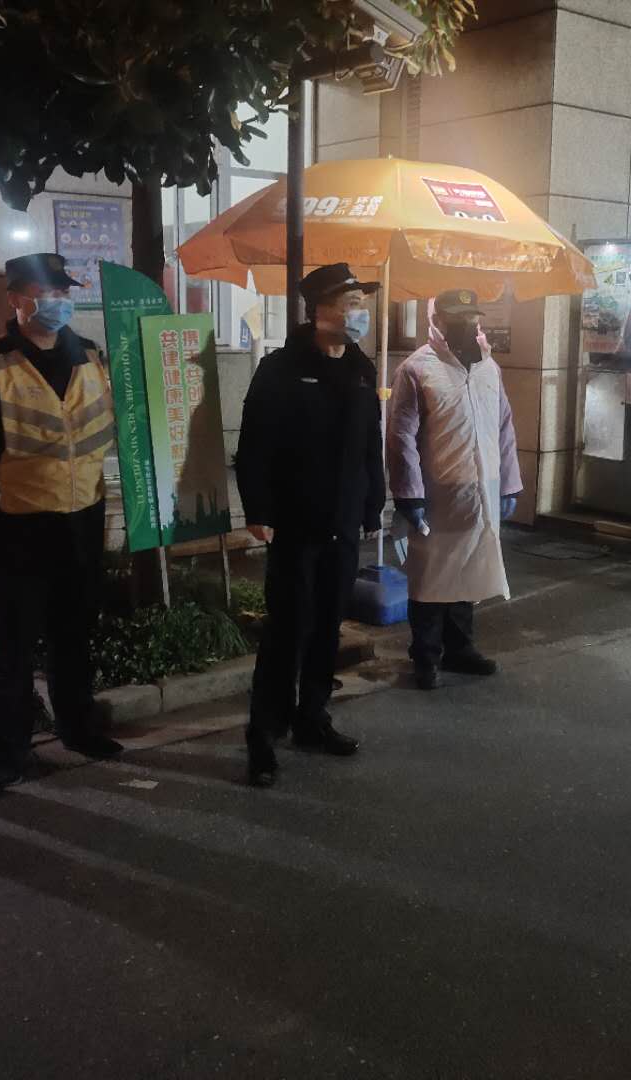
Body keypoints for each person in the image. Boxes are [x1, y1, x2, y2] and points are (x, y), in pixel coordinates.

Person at [0, 253, 123, 786]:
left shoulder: (90, 356)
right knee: (14, 641)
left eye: (62, 291)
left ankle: (79, 727)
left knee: (74, 631)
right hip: (21, 523)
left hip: (83, 516)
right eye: (44, 292)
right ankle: (11, 747)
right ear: (16, 299)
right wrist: (4, 488)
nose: (56, 301)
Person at [235, 263, 385, 787]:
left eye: (361, 304)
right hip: (295, 523)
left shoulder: (361, 368)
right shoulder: (281, 369)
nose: (359, 313)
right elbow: (254, 444)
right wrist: (258, 511)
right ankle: (264, 734)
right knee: (287, 629)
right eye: (350, 304)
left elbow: (370, 444)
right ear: (320, 310)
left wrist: (374, 503)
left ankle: (312, 718)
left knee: (327, 627)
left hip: (343, 521)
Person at [386, 288, 522, 690]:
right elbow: (401, 437)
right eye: (457, 318)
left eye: (471, 317)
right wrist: (409, 494)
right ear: (437, 320)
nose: (466, 324)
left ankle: (460, 649)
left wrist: (509, 483)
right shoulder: (417, 369)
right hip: (437, 492)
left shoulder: (488, 368)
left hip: (483, 487)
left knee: (469, 570)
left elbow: (504, 427)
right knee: (431, 577)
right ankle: (426, 657)